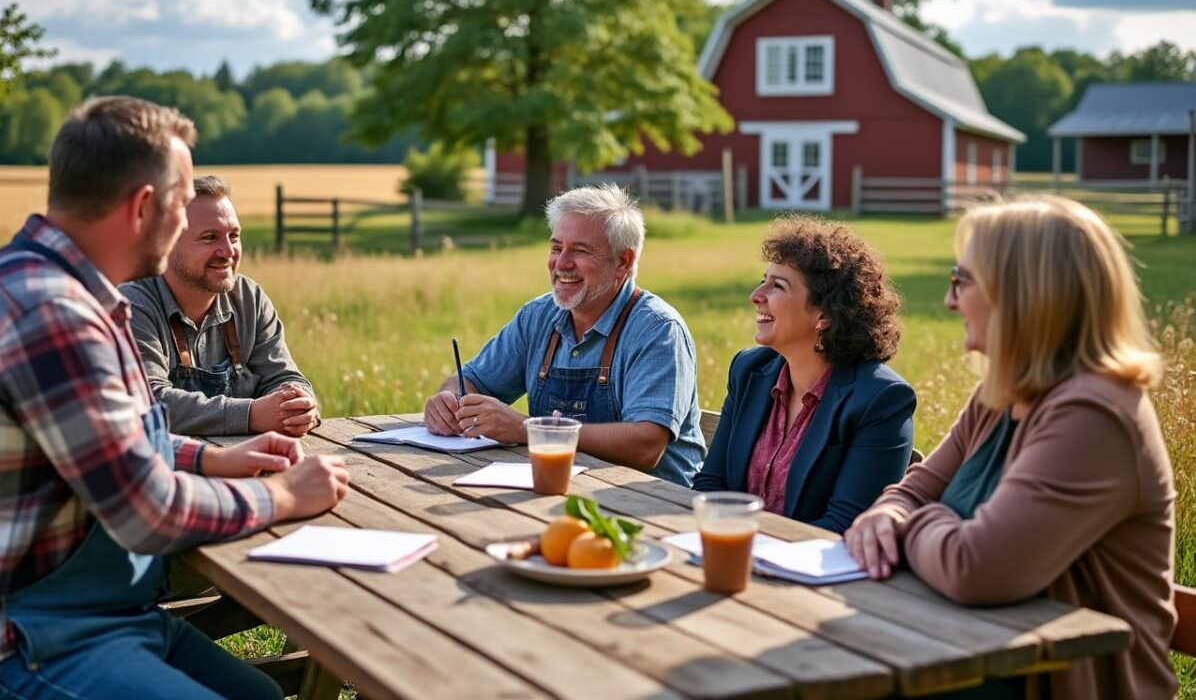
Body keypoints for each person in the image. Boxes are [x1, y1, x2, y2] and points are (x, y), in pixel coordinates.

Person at [0, 96, 349, 700]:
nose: (188, 222)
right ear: (143, 207)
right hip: (13, 640)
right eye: (183, 206)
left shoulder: (54, 285)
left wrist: (212, 458)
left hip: (95, 616)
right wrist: (280, 493)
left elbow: (110, 439)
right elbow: (146, 513)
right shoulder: (52, 315)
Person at [844, 196, 1175, 699]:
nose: (950, 300)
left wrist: (912, 524)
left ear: (1023, 294)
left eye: (963, 281)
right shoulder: (1001, 395)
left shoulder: (1094, 416)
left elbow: (976, 568)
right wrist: (891, 513)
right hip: (965, 659)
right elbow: (915, 490)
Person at [422, 184, 706, 487]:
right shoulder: (538, 317)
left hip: (650, 503)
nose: (561, 263)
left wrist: (529, 429)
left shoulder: (657, 329)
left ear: (623, 261)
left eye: (579, 250)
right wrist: (449, 400)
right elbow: (473, 380)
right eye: (556, 248)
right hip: (561, 491)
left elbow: (646, 444)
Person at [692, 219, 916, 533]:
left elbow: (844, 525)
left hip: (810, 572)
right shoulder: (748, 371)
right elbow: (711, 484)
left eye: (778, 286)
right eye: (763, 280)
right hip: (733, 551)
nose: (756, 295)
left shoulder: (880, 399)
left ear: (824, 315)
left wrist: (753, 549)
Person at [122, 175, 319, 436]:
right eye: (210, 237)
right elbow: (149, 401)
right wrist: (250, 415)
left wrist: (298, 403)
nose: (228, 251)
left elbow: (283, 376)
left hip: (248, 464)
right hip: (168, 469)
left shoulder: (249, 298)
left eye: (234, 236)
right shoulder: (133, 305)